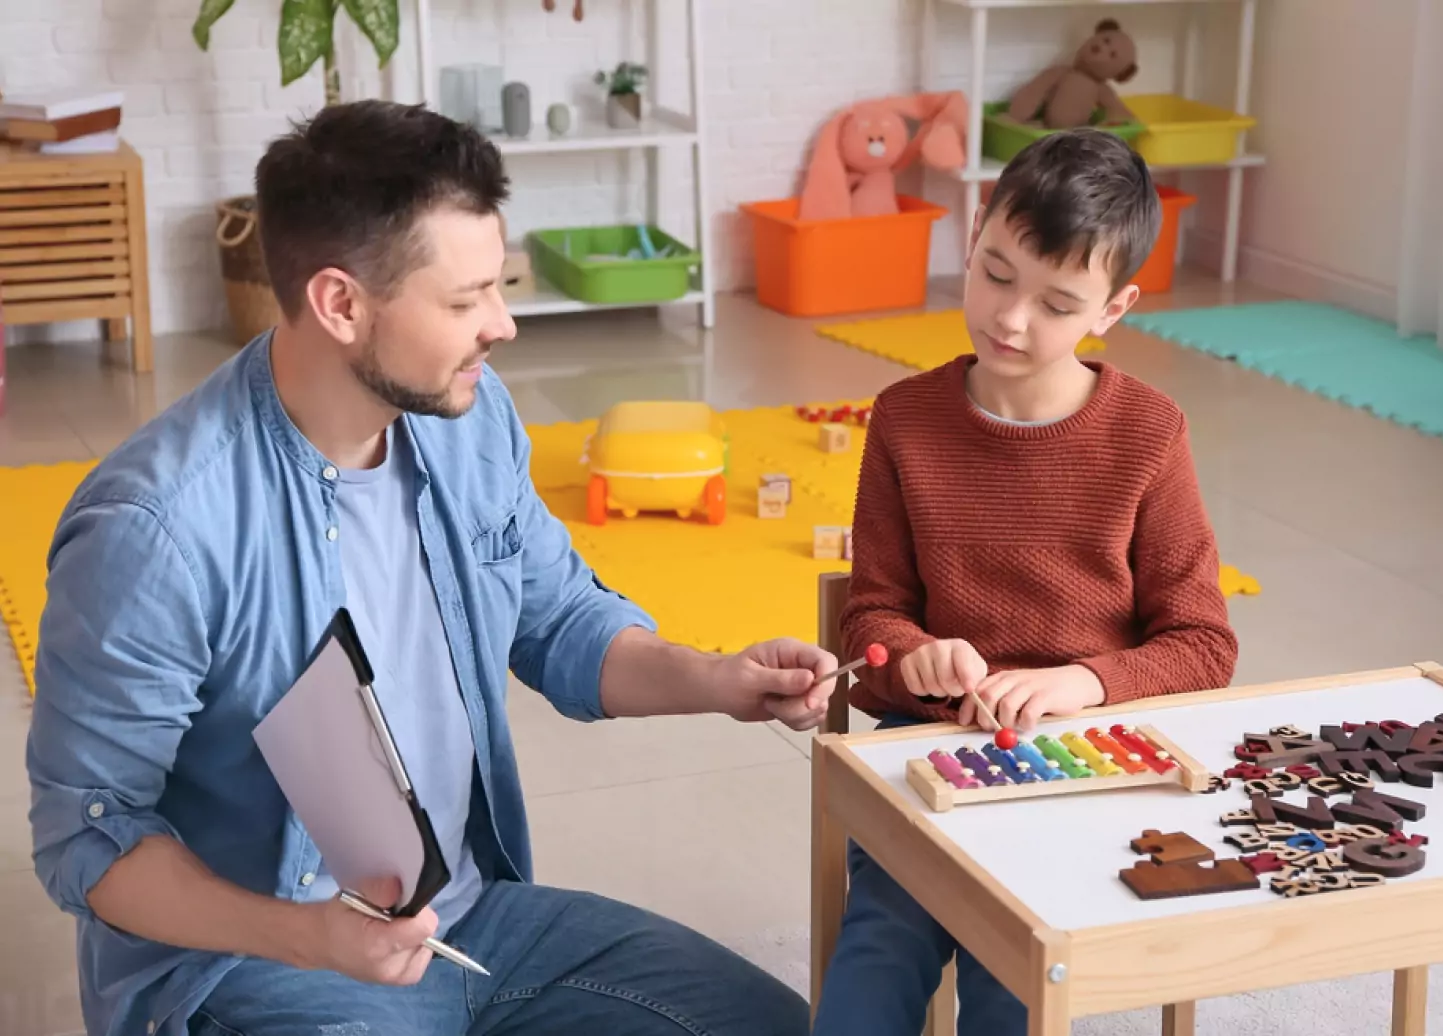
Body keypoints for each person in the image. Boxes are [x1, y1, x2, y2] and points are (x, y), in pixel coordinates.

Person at [25, 99, 839, 1036]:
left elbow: (560, 619)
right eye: (465, 300)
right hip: (251, 971)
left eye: (498, 286)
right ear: (340, 303)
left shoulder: (468, 418)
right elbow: (90, 839)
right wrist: (310, 937)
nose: (504, 325)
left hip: (473, 926)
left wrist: (718, 679)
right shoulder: (154, 530)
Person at [809, 128, 1240, 1036]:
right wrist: (917, 659)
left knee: (1016, 983)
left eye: (1057, 302)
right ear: (972, 238)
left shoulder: (1149, 433)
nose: (1011, 319)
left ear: (1112, 308)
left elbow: (1203, 645)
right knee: (880, 952)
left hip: (1086, 769)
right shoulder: (904, 419)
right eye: (997, 274)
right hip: (930, 756)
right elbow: (873, 618)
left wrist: (1080, 682)